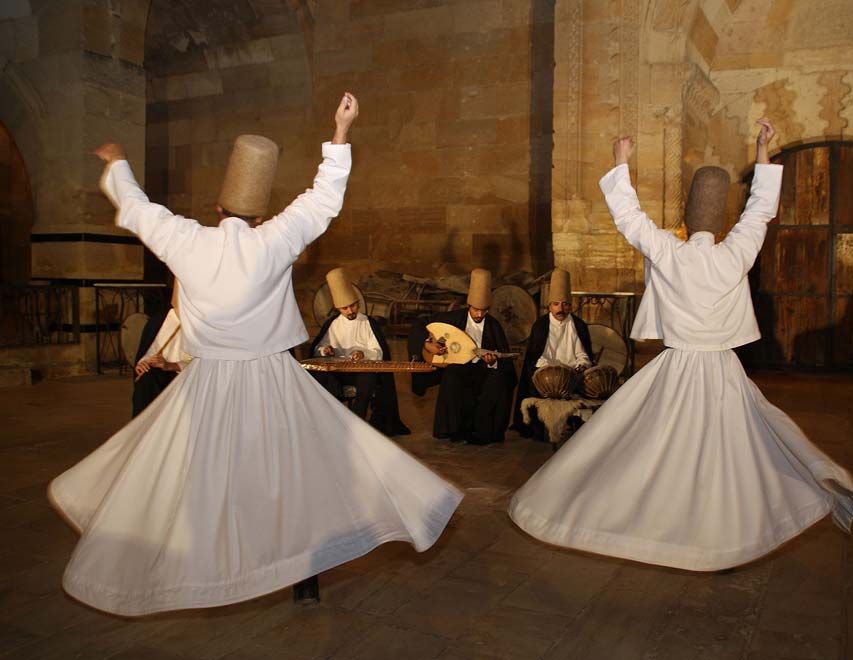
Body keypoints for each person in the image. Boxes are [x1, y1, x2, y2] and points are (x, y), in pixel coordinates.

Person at [48, 93, 462, 616]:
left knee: (193, 479)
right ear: (261, 211)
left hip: (209, 386)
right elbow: (321, 200)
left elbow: (137, 209)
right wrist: (341, 130)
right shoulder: (275, 240)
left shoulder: (186, 240)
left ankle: (200, 566)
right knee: (296, 476)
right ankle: (302, 577)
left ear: (218, 209)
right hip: (274, 380)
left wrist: (117, 162)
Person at [508, 119, 853, 571]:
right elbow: (759, 212)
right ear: (718, 221)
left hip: (675, 369)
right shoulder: (735, 252)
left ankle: (650, 520)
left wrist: (621, 164)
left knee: (646, 447)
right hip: (722, 371)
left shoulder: (670, 252)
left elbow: (631, 221)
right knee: (730, 450)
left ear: (689, 217)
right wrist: (761, 150)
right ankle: (722, 534)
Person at [408, 268, 517, 445]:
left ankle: (484, 433)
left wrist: (492, 363)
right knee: (452, 376)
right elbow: (421, 324)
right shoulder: (454, 317)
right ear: (469, 305)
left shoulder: (494, 325)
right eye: (476, 310)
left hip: (484, 369)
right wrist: (427, 344)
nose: (480, 315)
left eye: (484, 311)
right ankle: (454, 430)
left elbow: (504, 360)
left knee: (498, 381)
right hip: (459, 365)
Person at [308, 267, 410, 436]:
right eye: (345, 308)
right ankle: (331, 421)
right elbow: (317, 350)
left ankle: (357, 424)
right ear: (338, 309)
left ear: (358, 303)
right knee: (318, 376)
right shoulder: (333, 324)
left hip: (361, 371)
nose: (350, 311)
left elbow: (379, 352)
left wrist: (363, 354)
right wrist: (325, 350)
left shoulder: (368, 323)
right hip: (338, 373)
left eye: (353, 306)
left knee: (367, 378)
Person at [512, 268, 593, 438]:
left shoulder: (578, 325)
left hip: (572, 375)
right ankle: (540, 429)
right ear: (550, 305)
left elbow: (583, 354)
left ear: (570, 305)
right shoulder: (541, 325)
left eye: (565, 304)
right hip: (546, 375)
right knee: (535, 381)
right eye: (556, 304)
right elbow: (537, 356)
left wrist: (581, 365)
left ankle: (576, 426)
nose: (560, 308)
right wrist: (551, 370)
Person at [131, 284, 190, 417]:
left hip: (185, 376)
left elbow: (203, 363)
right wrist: (143, 363)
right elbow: (148, 350)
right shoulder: (159, 320)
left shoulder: (203, 325)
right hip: (159, 373)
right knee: (146, 381)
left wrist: (170, 365)